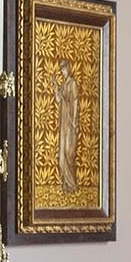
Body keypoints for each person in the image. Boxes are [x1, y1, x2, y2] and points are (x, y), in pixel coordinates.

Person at [55, 54, 81, 196]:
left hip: (70, 122)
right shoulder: (64, 84)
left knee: (69, 152)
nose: (63, 72)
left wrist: (75, 120)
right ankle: (66, 183)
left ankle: (72, 184)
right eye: (61, 70)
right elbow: (58, 99)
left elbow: (75, 101)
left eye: (64, 69)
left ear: (68, 69)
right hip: (63, 122)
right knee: (62, 156)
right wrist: (55, 86)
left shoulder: (72, 84)